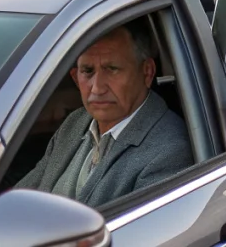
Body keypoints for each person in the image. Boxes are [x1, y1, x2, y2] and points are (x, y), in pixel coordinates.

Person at [16, 22, 193, 207]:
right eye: (87, 71)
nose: (97, 88)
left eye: (112, 69)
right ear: (75, 78)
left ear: (147, 72)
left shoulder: (169, 152)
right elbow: (21, 198)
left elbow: (141, 234)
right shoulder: (75, 122)